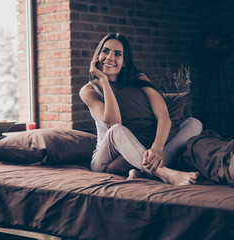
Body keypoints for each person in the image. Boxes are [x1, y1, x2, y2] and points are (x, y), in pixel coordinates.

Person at [79, 33, 203, 186]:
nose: (110, 57)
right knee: (117, 129)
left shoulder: (139, 79)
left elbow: (163, 115)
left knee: (193, 123)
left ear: (124, 62)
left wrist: (157, 148)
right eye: (105, 51)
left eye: (118, 54)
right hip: (105, 157)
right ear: (97, 56)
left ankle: (143, 171)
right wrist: (104, 81)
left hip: (138, 150)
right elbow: (114, 121)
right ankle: (164, 173)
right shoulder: (89, 90)